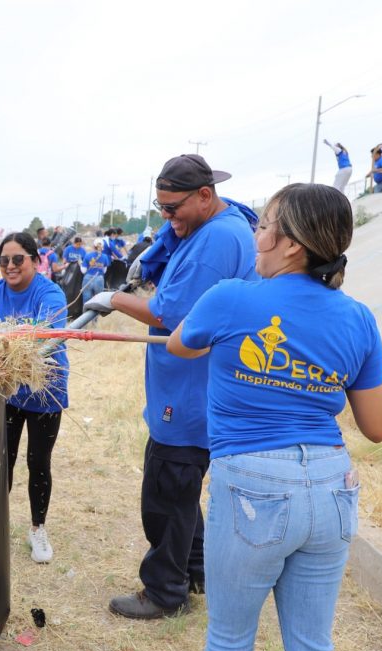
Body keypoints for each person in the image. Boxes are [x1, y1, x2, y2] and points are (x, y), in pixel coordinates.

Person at [166, 183, 382, 651]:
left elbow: (179, 346)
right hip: (332, 489)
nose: (256, 237)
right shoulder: (358, 319)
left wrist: (224, 341)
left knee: (229, 646)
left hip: (254, 488)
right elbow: (378, 423)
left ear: (292, 244)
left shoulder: (230, 298)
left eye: (264, 225)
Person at [84, 154, 258, 619]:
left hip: (191, 391)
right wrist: (159, 245)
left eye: (172, 208)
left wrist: (114, 299)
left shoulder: (216, 240)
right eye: (160, 207)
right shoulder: (213, 222)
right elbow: (170, 247)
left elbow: (173, 314)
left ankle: (164, 591)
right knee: (182, 491)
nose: (166, 217)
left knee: (167, 489)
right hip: (189, 386)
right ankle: (196, 570)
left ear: (205, 195)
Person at [0, 232, 68, 564]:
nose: (10, 266)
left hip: (44, 390)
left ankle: (38, 528)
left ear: (35, 261)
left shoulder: (50, 293)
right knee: (0, 461)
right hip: (6, 391)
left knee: (38, 461)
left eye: (18, 259)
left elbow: (43, 333)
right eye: (4, 260)